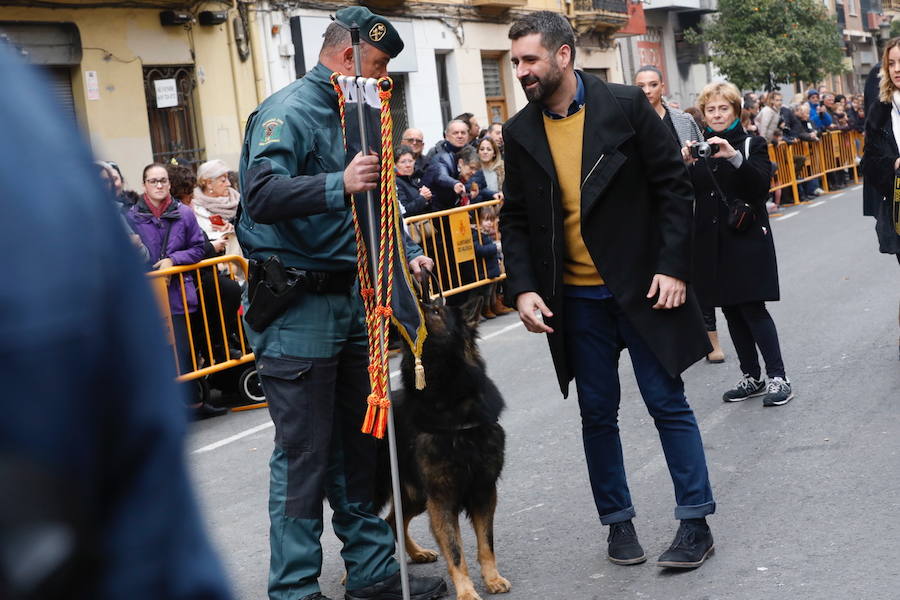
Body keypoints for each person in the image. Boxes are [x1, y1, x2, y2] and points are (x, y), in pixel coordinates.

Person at [0, 40, 232, 600]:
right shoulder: (25, 134)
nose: (153, 188)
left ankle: (203, 395)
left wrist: (170, 259)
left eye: (160, 182)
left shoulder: (25, 129)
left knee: (193, 356)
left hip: (179, 299)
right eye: (147, 181)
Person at [235, 7, 444, 600]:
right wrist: (337, 183)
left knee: (360, 442)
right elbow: (261, 193)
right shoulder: (291, 110)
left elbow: (377, 208)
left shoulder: (357, 115)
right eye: (378, 66)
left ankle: (374, 571)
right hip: (299, 305)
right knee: (303, 454)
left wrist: (401, 248)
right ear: (348, 56)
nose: (384, 79)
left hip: (355, 298)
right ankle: (296, 589)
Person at [502, 11, 716, 570]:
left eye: (530, 58)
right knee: (597, 414)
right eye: (516, 60)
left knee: (666, 402)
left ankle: (695, 521)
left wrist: (673, 268)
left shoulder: (625, 106)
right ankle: (617, 524)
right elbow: (516, 220)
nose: (521, 69)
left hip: (643, 287)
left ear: (564, 54)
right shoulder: (519, 131)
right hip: (575, 302)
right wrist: (522, 288)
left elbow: (674, 188)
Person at [682, 81, 794, 407]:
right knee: (730, 310)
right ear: (703, 114)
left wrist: (733, 157)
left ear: (735, 110)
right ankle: (751, 376)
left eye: (723, 108)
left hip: (745, 240)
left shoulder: (751, 144)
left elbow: (760, 187)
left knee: (752, 308)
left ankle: (778, 377)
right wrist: (682, 164)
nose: (716, 115)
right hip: (711, 243)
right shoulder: (699, 150)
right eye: (711, 109)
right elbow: (684, 193)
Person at [632, 65, 723, 362]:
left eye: (653, 84)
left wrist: (690, 159)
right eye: (641, 85)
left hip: (688, 205)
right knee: (660, 275)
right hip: (649, 212)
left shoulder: (682, 121)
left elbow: (704, 157)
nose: (647, 91)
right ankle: (672, 342)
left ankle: (710, 338)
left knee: (697, 272)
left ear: (662, 86)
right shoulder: (627, 124)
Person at [861, 37, 900, 265]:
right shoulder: (881, 110)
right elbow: (869, 163)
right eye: (891, 63)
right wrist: (893, 164)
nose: (897, 69)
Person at [194, 159, 243, 258]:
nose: (229, 184)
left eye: (228, 179)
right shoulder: (195, 207)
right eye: (223, 180)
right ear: (209, 184)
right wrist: (223, 233)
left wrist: (234, 229)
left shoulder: (237, 198)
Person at [395, 145, 432, 216]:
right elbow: (404, 210)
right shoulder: (396, 183)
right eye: (403, 162)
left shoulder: (418, 177)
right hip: (410, 225)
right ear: (395, 165)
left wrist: (428, 197)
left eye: (410, 161)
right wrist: (422, 198)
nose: (408, 165)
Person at [475, 136, 505, 201]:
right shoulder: (473, 170)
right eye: (482, 149)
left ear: (494, 153)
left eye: (489, 149)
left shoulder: (502, 169)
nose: (485, 152)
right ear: (478, 152)